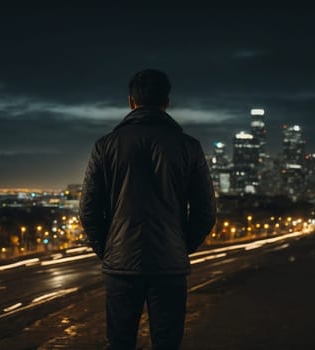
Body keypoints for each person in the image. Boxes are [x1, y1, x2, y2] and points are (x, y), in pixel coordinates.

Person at [79, 68, 217, 349]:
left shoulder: (105, 146)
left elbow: (88, 210)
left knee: (120, 342)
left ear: (131, 102)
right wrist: (178, 245)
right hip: (169, 266)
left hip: (121, 265)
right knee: (167, 343)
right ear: (166, 103)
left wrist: (108, 248)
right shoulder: (188, 146)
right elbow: (205, 211)